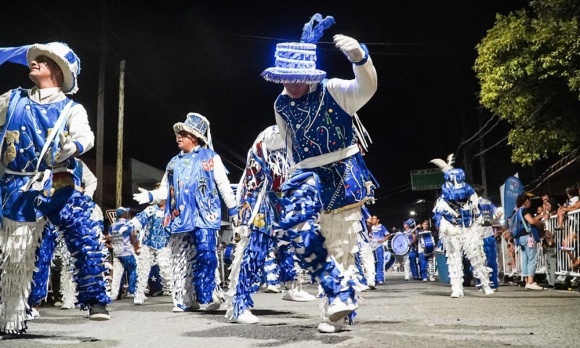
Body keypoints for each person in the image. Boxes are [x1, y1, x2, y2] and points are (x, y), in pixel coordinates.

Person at [261, 13, 378, 333]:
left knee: (340, 244)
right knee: (297, 229)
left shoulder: (334, 90)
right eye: (283, 77)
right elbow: (289, 143)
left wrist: (360, 58)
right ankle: (338, 293)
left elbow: (366, 88)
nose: (289, 83)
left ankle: (336, 311)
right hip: (305, 173)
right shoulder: (280, 103)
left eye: (295, 76)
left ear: (309, 73)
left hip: (341, 169)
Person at [0, 42, 110, 334]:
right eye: (35, 59)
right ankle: (10, 320)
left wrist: (73, 146)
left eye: (43, 60)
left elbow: (86, 136)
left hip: (58, 181)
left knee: (84, 226)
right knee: (16, 254)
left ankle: (95, 298)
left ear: (58, 73)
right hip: (17, 186)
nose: (33, 62)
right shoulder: (12, 99)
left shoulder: (71, 108)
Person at [133, 112, 238, 313]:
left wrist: (233, 210)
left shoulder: (210, 158)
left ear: (194, 137)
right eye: (178, 134)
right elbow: (165, 188)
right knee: (180, 258)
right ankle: (184, 300)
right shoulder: (173, 163)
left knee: (206, 255)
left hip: (205, 216)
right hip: (180, 218)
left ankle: (208, 295)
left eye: (183, 133)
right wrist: (151, 197)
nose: (178, 137)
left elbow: (223, 185)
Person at [225, 125, 314, 325]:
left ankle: (291, 287)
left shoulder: (297, 140)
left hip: (283, 202)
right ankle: (239, 304)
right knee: (254, 251)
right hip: (261, 201)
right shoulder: (272, 134)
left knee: (289, 245)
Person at [431, 154, 494, 297]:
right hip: (452, 230)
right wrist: (447, 227)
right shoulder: (442, 201)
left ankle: (485, 284)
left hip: (469, 229)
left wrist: (475, 227)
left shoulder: (471, 196)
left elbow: (478, 215)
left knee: (476, 255)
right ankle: (457, 288)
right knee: (454, 257)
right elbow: (438, 217)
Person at [129, 197, 173, 305]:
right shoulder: (151, 209)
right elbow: (138, 220)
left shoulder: (171, 210)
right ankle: (139, 295)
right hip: (148, 244)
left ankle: (175, 293)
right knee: (143, 270)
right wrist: (131, 225)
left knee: (166, 268)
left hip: (164, 245)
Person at [509, 193, 544, 290]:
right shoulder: (523, 210)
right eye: (530, 200)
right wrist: (541, 223)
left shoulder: (516, 211)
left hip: (520, 238)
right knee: (532, 258)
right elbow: (532, 221)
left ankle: (525, 280)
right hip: (528, 236)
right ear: (526, 201)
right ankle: (530, 281)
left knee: (525, 259)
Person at [108, 207, 141, 301]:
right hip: (127, 252)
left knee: (117, 273)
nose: (128, 213)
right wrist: (137, 247)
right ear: (124, 214)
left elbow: (110, 239)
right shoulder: (129, 224)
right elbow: (132, 237)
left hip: (117, 252)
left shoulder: (112, 225)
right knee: (134, 269)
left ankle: (115, 293)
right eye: (126, 212)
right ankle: (131, 291)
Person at [473, 184, 501, 291]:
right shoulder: (488, 203)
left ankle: (481, 284)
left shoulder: (470, 204)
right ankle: (493, 283)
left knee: (478, 261)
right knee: (491, 260)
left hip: (476, 236)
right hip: (488, 234)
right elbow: (495, 216)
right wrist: (496, 219)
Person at [370, 215, 389, 285]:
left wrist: (382, 240)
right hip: (372, 247)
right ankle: (374, 279)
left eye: (374, 218)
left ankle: (380, 278)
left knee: (380, 262)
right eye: (372, 219)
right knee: (373, 263)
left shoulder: (381, 226)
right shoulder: (370, 227)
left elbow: (388, 235)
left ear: (378, 220)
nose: (373, 220)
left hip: (379, 246)